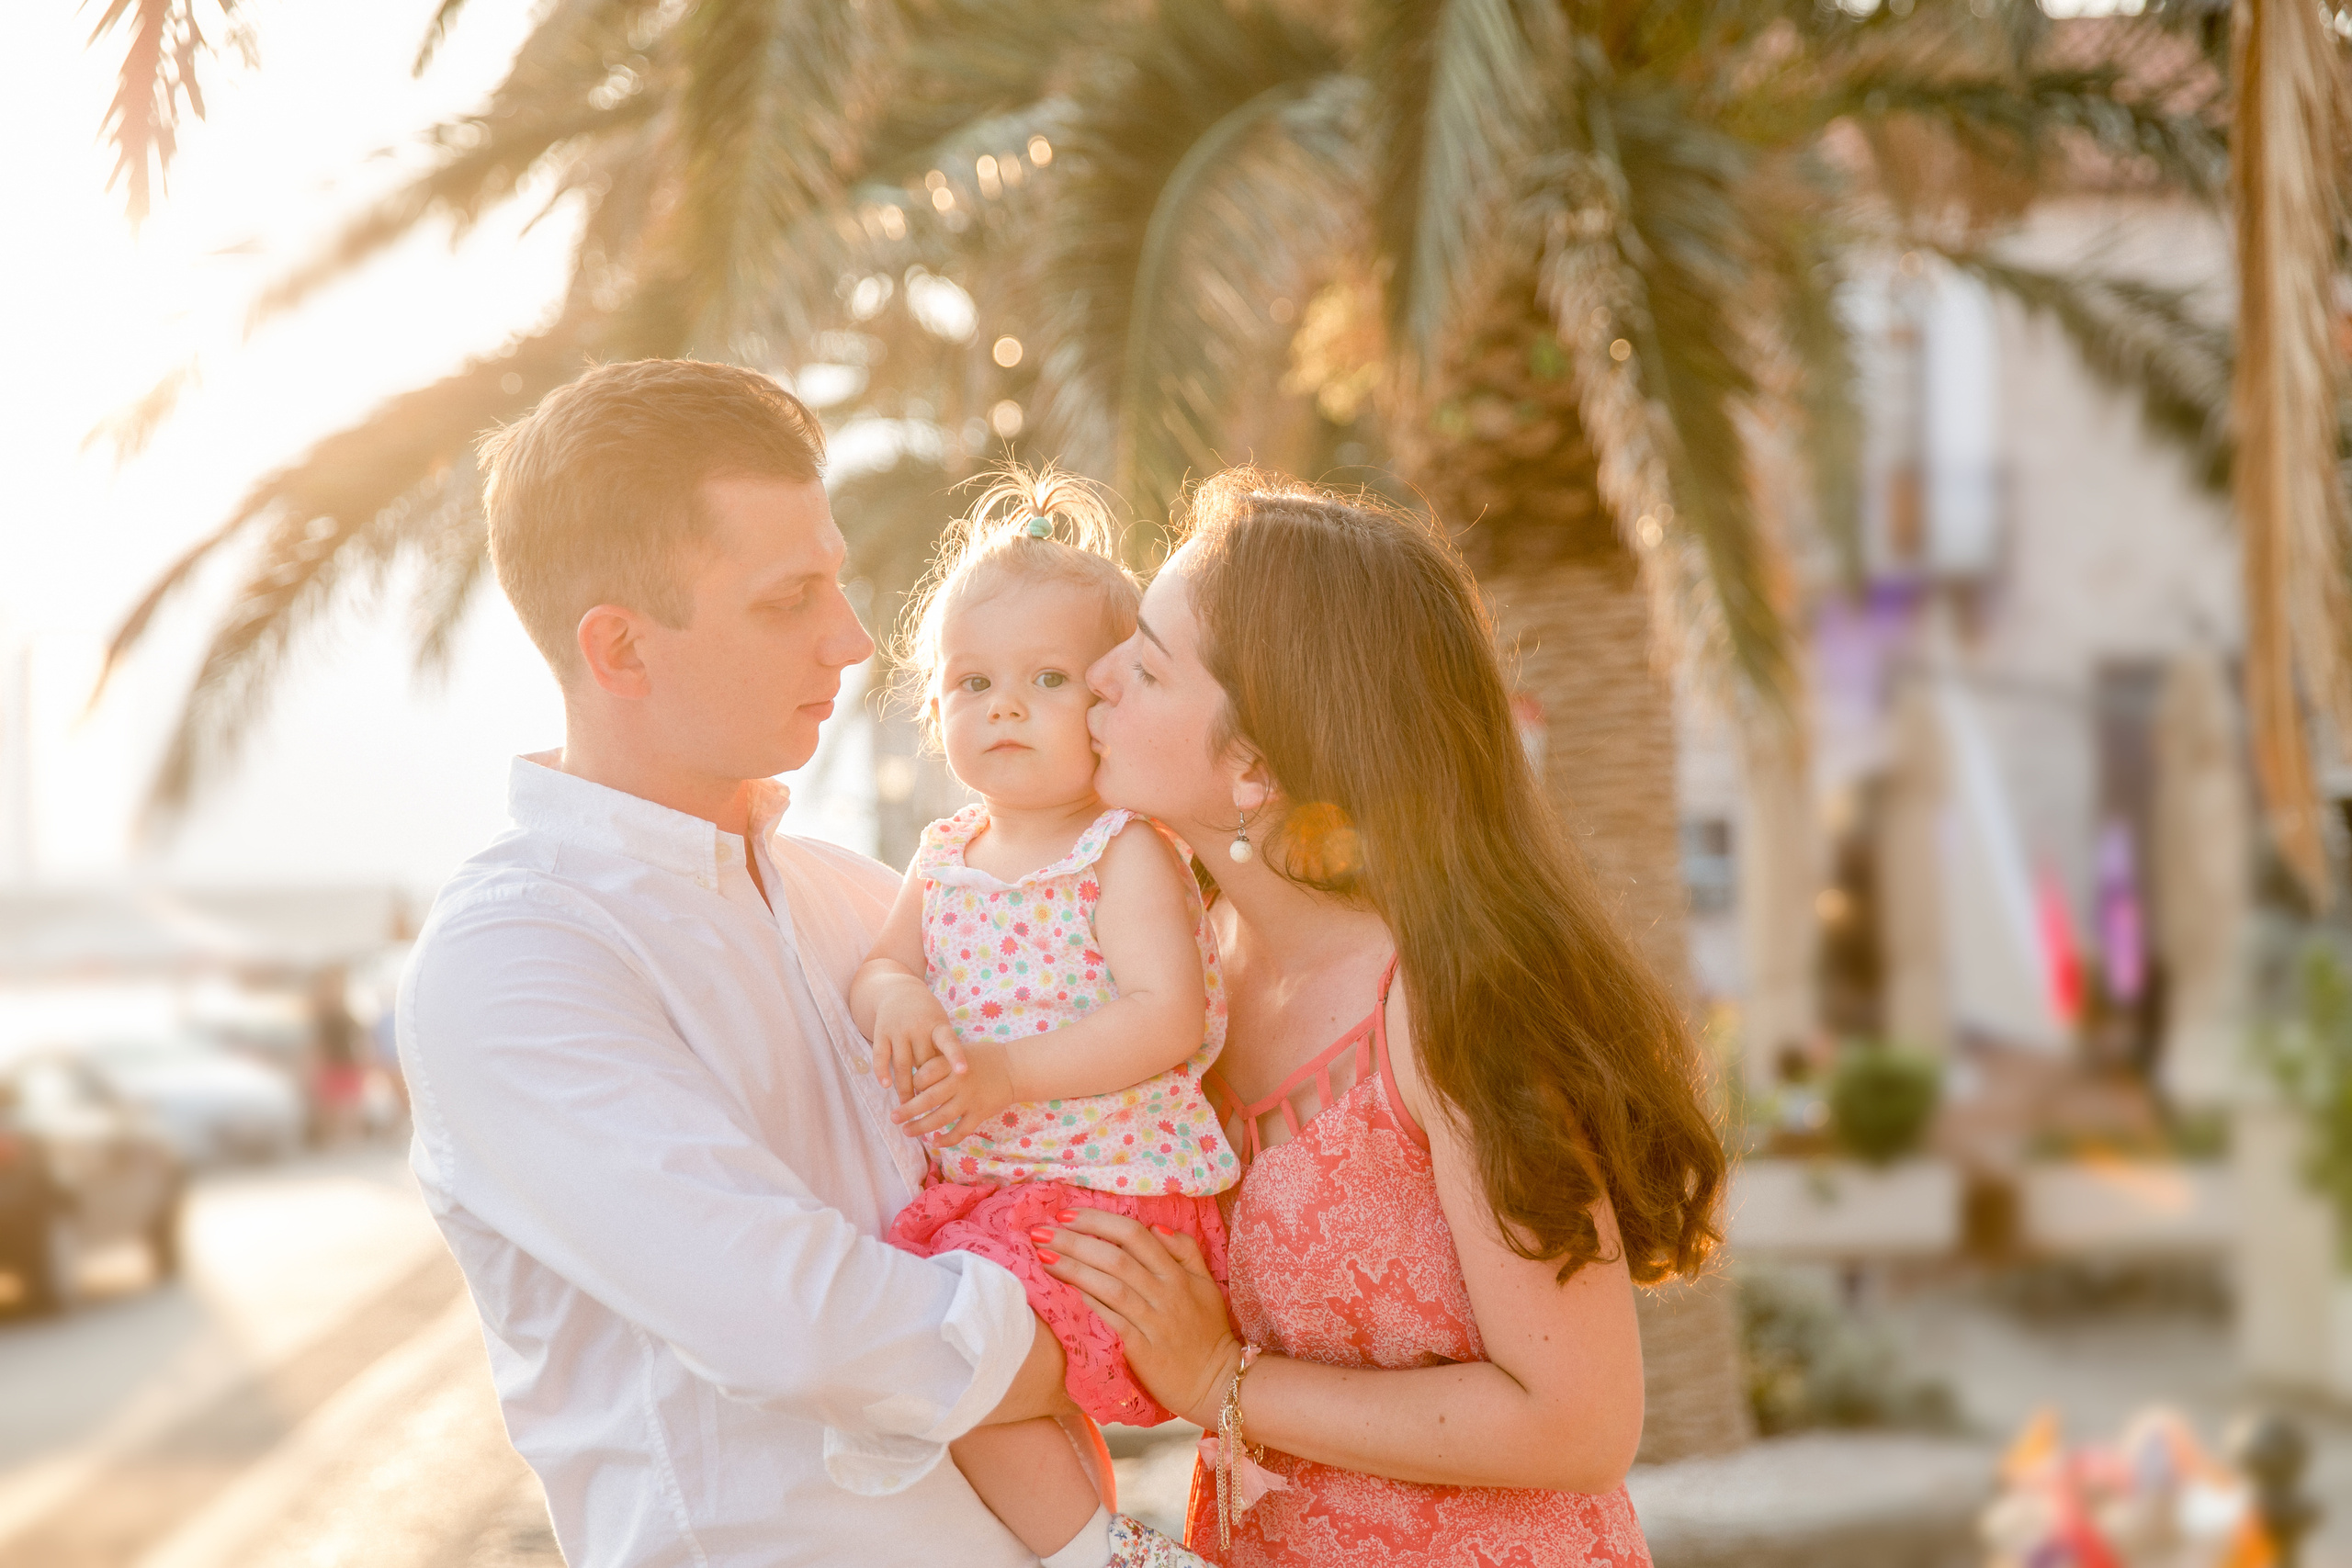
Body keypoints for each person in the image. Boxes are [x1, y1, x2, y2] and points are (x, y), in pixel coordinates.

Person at [397, 359, 1074, 1568]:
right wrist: (1109, 1338)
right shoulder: (513, 957)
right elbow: (799, 1321)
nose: (853, 638)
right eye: (787, 598)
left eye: (840, 579)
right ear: (619, 649)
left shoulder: (863, 899)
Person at [1037, 468, 1730, 1565]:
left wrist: (1225, 1380)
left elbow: (1580, 1421)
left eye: (1150, 665)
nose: (1101, 677)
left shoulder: (1453, 1002)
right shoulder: (1171, 985)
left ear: (1255, 766)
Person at [851, 468, 1237, 1568]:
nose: (1003, 705)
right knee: (1008, 1402)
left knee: (956, 1380)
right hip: (996, 1200)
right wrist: (905, 997)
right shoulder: (944, 855)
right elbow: (875, 970)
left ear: (1108, 702)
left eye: (1047, 678)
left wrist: (1004, 1076)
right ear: (933, 710)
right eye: (971, 681)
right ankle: (1094, 1544)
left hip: (1104, 1205)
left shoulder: (1119, 853)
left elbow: (1165, 1018)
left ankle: (1102, 1557)